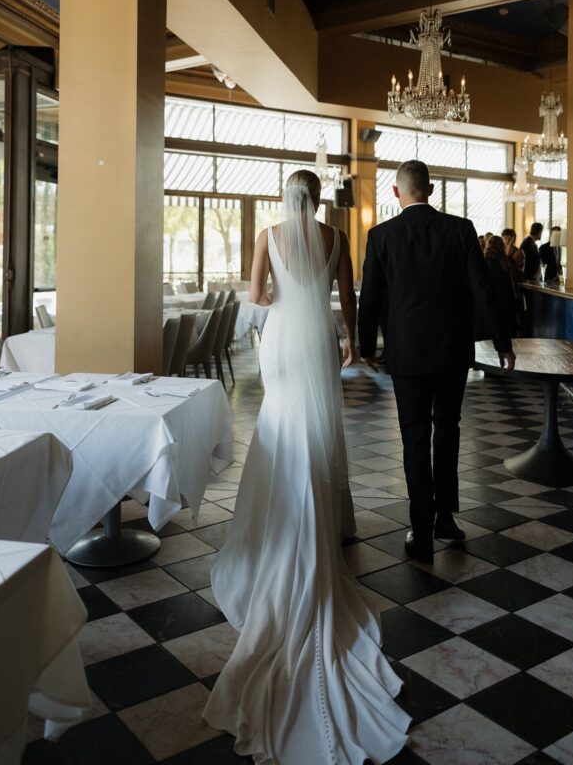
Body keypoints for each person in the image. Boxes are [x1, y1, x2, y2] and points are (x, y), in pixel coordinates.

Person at [204, 170, 410, 764]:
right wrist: (351, 341)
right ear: (318, 199)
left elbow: (257, 297)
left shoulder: (269, 233)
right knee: (323, 430)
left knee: (280, 423)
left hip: (283, 342)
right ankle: (327, 517)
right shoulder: (337, 237)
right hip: (319, 337)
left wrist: (281, 299)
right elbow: (349, 297)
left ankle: (280, 515)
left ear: (284, 197)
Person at [358, 161, 515, 566]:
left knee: (414, 436)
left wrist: (365, 348)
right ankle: (445, 518)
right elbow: (483, 289)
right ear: (430, 189)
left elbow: (370, 299)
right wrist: (503, 342)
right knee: (448, 428)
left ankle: (421, 533)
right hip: (451, 352)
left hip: (407, 354)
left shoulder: (380, 236)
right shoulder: (460, 229)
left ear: (397, 193)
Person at [477, 235, 519, 340]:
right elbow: (517, 278)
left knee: (491, 332)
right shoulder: (508, 261)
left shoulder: (484, 262)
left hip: (491, 300)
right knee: (507, 331)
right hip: (507, 301)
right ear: (502, 246)